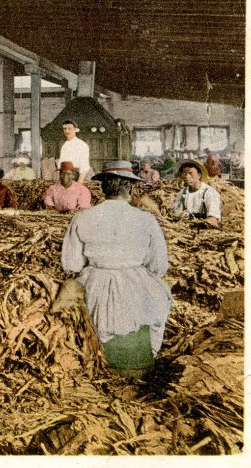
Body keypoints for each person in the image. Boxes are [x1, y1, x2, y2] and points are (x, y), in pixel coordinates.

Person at [61, 160, 173, 376]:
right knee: (155, 302)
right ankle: (137, 366)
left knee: (82, 315)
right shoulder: (145, 219)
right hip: (136, 283)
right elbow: (159, 265)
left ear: (103, 188)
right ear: (130, 187)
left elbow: (71, 264)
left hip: (95, 282)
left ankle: (92, 366)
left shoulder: (82, 217)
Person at [172, 160, 222, 228]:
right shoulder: (181, 193)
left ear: (199, 175)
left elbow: (213, 220)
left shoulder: (209, 193)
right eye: (184, 174)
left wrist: (196, 225)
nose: (187, 177)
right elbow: (176, 213)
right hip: (184, 227)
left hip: (204, 229)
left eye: (190, 173)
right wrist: (180, 215)